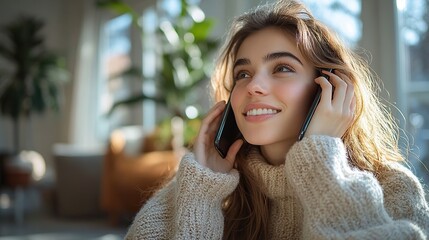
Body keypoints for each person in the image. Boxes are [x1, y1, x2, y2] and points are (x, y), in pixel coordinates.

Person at [125, 0, 429, 239]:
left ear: (330, 88)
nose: (253, 86)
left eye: (282, 68)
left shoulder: (393, 189)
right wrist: (203, 198)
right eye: (242, 74)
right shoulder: (199, 188)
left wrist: (320, 161)